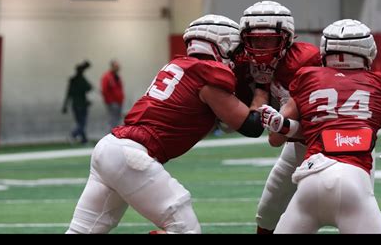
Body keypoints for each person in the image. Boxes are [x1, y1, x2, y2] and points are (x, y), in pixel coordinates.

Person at [65, 14, 265, 234]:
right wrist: (262, 90)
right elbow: (252, 126)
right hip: (131, 156)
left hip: (111, 147)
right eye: (237, 50)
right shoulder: (209, 76)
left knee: (82, 231)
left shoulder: (179, 66)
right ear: (223, 45)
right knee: (185, 230)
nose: (239, 57)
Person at [257, 19, 381, 233]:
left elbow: (275, 138)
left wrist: (293, 127)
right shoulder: (377, 83)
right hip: (353, 182)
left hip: (311, 178)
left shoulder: (308, 78)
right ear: (368, 51)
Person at [231, 0, 322, 233]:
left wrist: (263, 89)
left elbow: (275, 138)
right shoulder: (244, 62)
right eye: (255, 39)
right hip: (295, 143)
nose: (260, 45)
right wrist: (260, 86)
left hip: (325, 143)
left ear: (286, 37)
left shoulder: (304, 61)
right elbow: (251, 123)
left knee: (326, 211)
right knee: (268, 212)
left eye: (268, 38)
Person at [62, 60, 93, 144]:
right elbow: (89, 88)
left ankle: (84, 140)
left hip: (76, 105)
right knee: (82, 124)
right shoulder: (80, 80)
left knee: (80, 123)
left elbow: (68, 94)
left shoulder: (73, 80)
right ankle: (73, 135)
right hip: (81, 105)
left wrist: (65, 106)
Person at [101, 59, 125, 131]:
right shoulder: (107, 77)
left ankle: (115, 134)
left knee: (117, 119)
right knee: (112, 119)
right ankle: (110, 134)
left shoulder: (117, 77)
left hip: (119, 102)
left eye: (118, 66)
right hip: (112, 102)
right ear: (112, 66)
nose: (118, 68)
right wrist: (109, 101)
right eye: (116, 66)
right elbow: (104, 90)